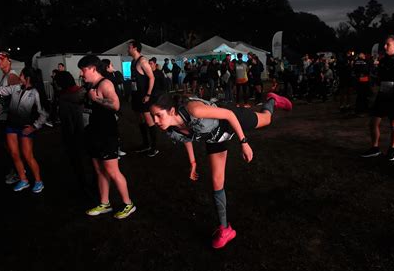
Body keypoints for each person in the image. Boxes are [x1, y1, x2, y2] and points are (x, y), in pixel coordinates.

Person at [149, 92, 292, 248]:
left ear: (171, 111)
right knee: (217, 181)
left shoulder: (194, 110)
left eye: (158, 115)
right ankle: (225, 229)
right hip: (215, 138)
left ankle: (272, 99)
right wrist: (193, 162)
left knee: (266, 119)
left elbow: (229, 115)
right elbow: (186, 139)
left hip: (229, 120)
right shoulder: (171, 128)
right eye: (152, 116)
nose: (155, 121)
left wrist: (243, 142)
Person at [0, 67, 49, 193]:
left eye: (21, 75)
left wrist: (34, 127)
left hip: (25, 128)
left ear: (27, 77)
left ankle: (38, 181)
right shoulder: (16, 88)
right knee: (14, 154)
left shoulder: (35, 92)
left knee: (28, 156)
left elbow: (44, 114)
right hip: (11, 126)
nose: (20, 77)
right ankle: (23, 180)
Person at [78, 55, 136, 218]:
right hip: (93, 133)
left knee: (112, 171)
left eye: (83, 70)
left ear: (92, 68)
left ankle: (128, 204)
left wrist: (96, 99)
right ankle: (105, 203)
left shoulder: (105, 84)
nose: (82, 74)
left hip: (106, 134)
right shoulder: (90, 85)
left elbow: (115, 105)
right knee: (99, 170)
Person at [54, 71, 98, 203]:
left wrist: (68, 140)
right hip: (90, 133)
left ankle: (86, 193)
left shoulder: (63, 98)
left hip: (74, 137)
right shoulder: (84, 92)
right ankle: (96, 190)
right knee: (93, 164)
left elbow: (67, 123)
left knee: (79, 166)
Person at [361, 35, 394, 160]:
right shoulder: (383, 60)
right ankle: (375, 148)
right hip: (382, 94)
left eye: (387, 44)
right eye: (384, 44)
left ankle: (392, 150)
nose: (384, 47)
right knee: (373, 122)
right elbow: (379, 78)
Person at [0, 51, 22, 184]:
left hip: (10, 118)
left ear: (8, 61)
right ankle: (17, 171)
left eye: (2, 59)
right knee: (8, 147)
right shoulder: (5, 76)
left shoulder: (11, 75)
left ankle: (18, 173)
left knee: (12, 149)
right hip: (5, 117)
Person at [127, 40, 159, 157]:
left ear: (135, 48)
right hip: (136, 95)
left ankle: (154, 147)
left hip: (144, 96)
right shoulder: (132, 62)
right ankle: (146, 144)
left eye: (129, 47)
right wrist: (131, 94)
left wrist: (148, 95)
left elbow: (152, 78)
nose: (127, 49)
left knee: (148, 120)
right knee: (140, 119)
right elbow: (133, 80)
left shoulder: (143, 61)